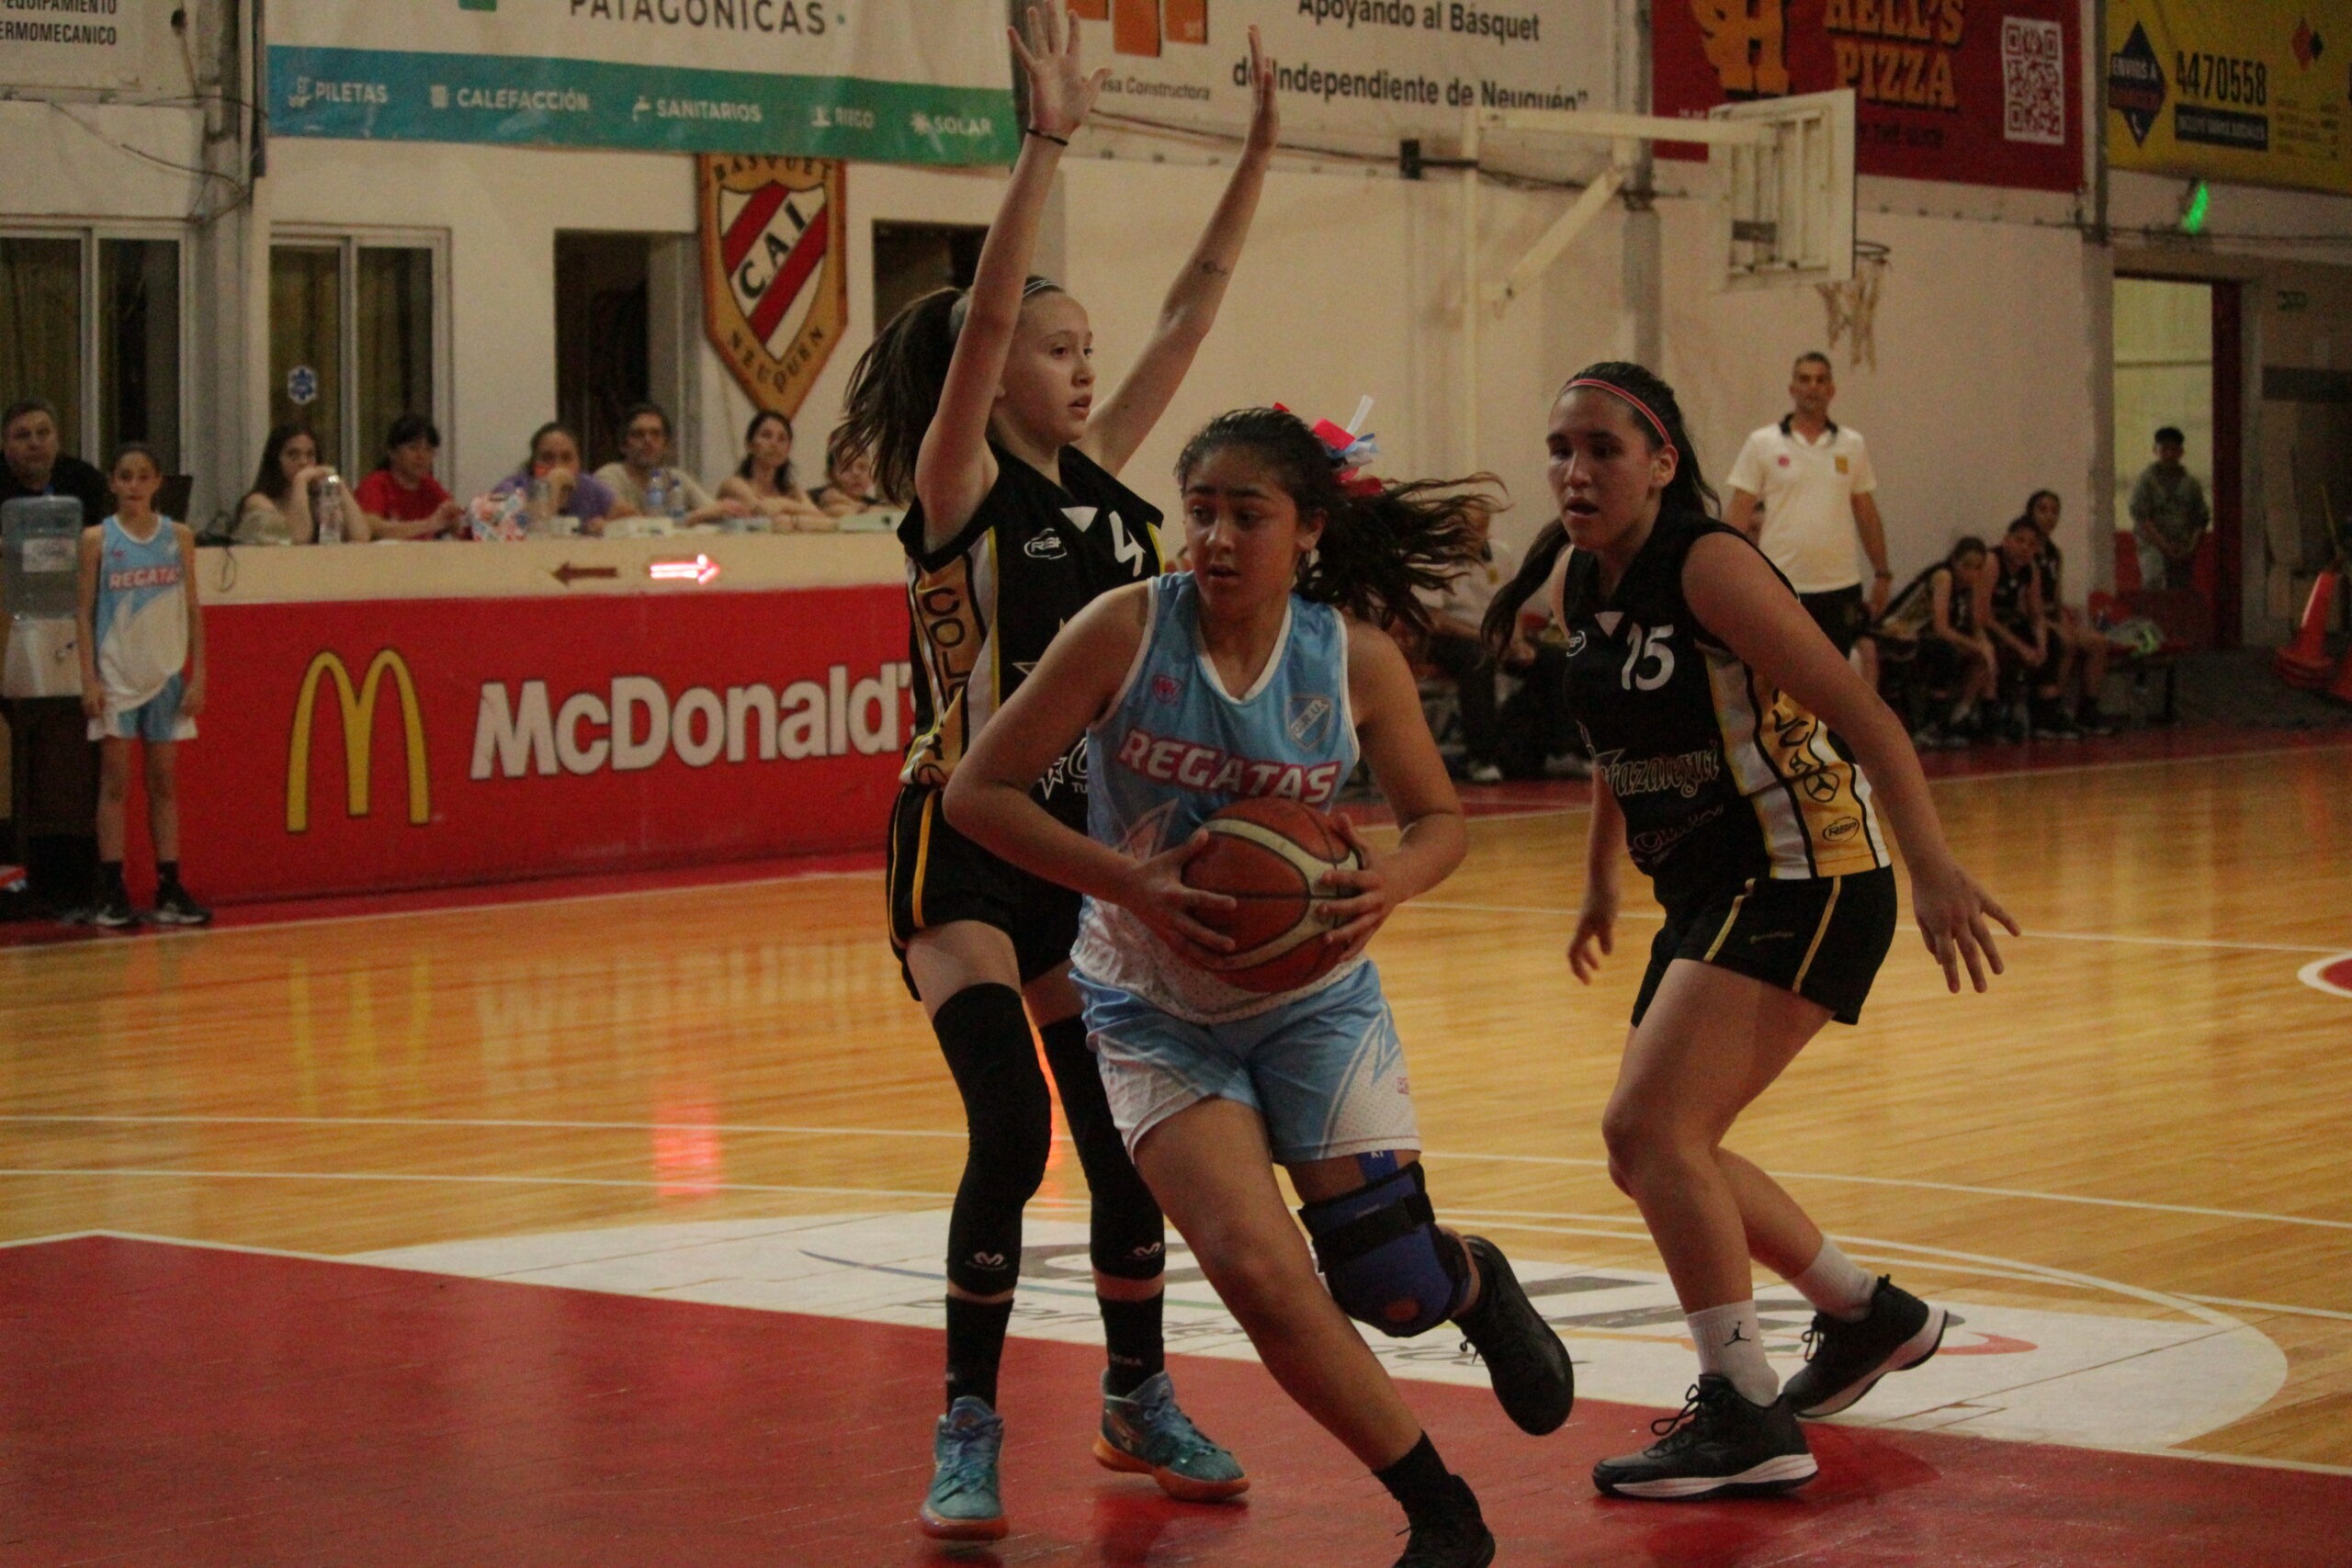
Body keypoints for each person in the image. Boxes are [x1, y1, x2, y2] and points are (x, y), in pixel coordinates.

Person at [945, 406, 1572, 1568]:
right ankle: (1441, 1509)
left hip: (1313, 1002)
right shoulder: (1122, 629)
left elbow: (1439, 821)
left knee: (1391, 1289)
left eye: (1249, 515)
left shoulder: (1353, 659)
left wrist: (1388, 883)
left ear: (1308, 531)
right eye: (1200, 513)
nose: (1219, 538)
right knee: (1256, 1273)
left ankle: (1470, 1284)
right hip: (1148, 1006)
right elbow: (975, 793)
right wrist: (1127, 882)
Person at [831, 8, 1281, 1542]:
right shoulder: (956, 483)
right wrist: (1045, 142)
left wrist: (1259, 153)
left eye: (1089, 348)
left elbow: (1193, 311)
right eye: (1058, 347)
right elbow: (977, 335)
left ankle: (1135, 1392)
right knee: (1010, 1135)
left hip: (1079, 852)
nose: (1087, 370)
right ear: (994, 365)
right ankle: (966, 1422)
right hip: (957, 845)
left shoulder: (1104, 489)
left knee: (1117, 1136)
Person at [1482, 362, 2017, 1503]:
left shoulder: (1708, 564)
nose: (1575, 471)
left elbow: (1865, 714)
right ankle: (1868, 1316)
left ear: (1661, 462)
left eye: (1603, 449)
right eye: (1560, 449)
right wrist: (1599, 881)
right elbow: (1614, 743)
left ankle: (1743, 1406)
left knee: (1651, 1128)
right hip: (1711, 886)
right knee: (1653, 1149)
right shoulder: (1580, 579)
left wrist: (1932, 868)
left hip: (1804, 873)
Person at [74, 444, 209, 930]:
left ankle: (169, 886)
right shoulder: (97, 539)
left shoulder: (178, 536)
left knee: (163, 782)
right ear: (112, 482)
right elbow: (84, 613)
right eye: (125, 476)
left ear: (158, 483)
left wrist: (199, 674)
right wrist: (89, 679)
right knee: (115, 781)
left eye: (143, 476)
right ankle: (112, 890)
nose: (134, 485)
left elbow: (192, 608)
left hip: (166, 675)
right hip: (116, 676)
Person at [1724, 353, 1894, 682]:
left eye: (1820, 379)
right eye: (1804, 379)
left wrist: (1882, 573)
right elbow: (1738, 513)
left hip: (1839, 586)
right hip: (1781, 583)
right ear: (1792, 388)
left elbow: (1866, 512)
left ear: (1831, 389)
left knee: (1833, 680)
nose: (1812, 387)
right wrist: (1727, 574)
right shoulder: (1762, 443)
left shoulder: (1852, 444)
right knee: (1779, 679)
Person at [1413, 501, 1517, 784]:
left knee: (1554, 659)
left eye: (1479, 529)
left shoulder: (1501, 555)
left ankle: (1558, 751)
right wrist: (1483, 637)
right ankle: (1481, 758)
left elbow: (1512, 604)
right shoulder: (1433, 558)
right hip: (1446, 638)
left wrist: (1516, 639)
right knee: (1477, 659)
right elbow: (1432, 619)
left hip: (1493, 635)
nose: (1473, 536)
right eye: (1466, 528)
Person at [1872, 536, 1996, 747]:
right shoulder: (1943, 576)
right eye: (1966, 566)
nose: (1971, 573)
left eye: (1977, 568)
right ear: (1954, 561)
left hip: (1921, 635)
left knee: (1982, 656)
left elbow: (1975, 624)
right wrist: (1977, 645)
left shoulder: (1970, 586)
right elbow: (1941, 628)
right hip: (1895, 631)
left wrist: (1985, 645)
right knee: (1945, 651)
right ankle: (1933, 723)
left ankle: (1960, 715)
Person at [2018, 490, 2114, 734]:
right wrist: (2055, 627)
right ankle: (2051, 709)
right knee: (2066, 641)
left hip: (2051, 616)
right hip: (2031, 619)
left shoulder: (2054, 553)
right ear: (2030, 513)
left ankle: (2087, 710)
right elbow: (2024, 604)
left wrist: (2065, 622)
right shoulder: (2025, 551)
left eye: (2055, 511)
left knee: (2098, 641)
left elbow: (2057, 599)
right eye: (2043, 509)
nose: (2049, 516)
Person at [1984, 517, 2075, 739]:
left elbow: (2036, 615)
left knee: (2051, 640)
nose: (2025, 548)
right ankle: (1992, 714)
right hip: (1987, 624)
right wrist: (2021, 647)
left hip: (2010, 621)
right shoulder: (1992, 562)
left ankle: (2047, 711)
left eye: (2031, 544)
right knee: (2007, 647)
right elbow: (1983, 616)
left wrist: (2041, 644)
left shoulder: (2031, 568)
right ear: (2007, 540)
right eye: (2019, 540)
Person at [594, 403, 746, 527]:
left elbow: (714, 510)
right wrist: (697, 516)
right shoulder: (609, 476)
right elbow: (637, 527)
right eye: (638, 434)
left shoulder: (675, 478)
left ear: (666, 445)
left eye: (655, 434)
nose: (648, 440)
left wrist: (725, 510)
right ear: (623, 446)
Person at [490, 423, 627, 533]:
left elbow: (631, 518)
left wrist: (608, 526)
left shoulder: (588, 486)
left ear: (578, 462)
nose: (557, 466)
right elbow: (536, 527)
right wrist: (553, 484)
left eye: (567, 458)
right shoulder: (512, 487)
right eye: (547, 458)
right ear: (533, 462)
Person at [2, 399, 113, 525]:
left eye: (43, 433)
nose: (35, 443)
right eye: (23, 435)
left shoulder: (85, 480)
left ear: (57, 440)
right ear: (5, 446)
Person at [353, 414, 465, 539]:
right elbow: (374, 529)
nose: (421, 456)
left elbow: (456, 526)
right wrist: (429, 524)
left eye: (428, 450)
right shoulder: (375, 484)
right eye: (413, 448)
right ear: (392, 452)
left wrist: (454, 519)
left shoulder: (430, 485)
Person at [715, 411, 831, 529]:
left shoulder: (792, 490)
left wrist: (783, 504)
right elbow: (763, 511)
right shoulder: (734, 485)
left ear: (788, 449)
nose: (774, 444)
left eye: (782, 439)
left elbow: (824, 520)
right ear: (749, 444)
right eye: (766, 436)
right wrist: (795, 511)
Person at [2128, 426, 2210, 592]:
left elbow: (2201, 520)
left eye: (2174, 449)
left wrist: (2191, 548)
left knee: (2180, 592)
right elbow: (2142, 517)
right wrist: (2164, 546)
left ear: (2181, 452)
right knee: (2154, 582)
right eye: (2164, 449)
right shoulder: (2146, 481)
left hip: (2183, 547)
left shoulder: (2191, 484)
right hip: (2152, 545)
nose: (2169, 454)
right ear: (2155, 450)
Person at [233, 423, 335, 545]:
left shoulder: (317, 501)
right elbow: (298, 538)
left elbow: (356, 537)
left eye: (310, 455)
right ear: (276, 460)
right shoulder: (257, 501)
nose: (303, 462)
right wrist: (300, 481)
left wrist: (337, 482)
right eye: (293, 455)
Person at [811, 443, 885, 518]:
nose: (856, 473)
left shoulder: (877, 507)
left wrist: (859, 509)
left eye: (862, 467)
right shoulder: (811, 502)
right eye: (846, 467)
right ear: (831, 475)